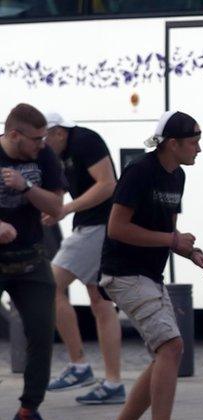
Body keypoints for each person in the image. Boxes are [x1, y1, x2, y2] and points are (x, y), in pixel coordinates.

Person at [95, 111, 203, 420]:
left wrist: (190, 251)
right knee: (171, 346)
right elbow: (117, 228)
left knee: (165, 351)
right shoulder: (139, 171)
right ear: (172, 144)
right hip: (123, 273)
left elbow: (169, 230)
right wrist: (172, 239)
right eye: (194, 141)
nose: (199, 148)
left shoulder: (176, 175)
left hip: (147, 274)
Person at [43, 113, 125, 404]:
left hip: (97, 226)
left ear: (59, 133)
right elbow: (61, 186)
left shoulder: (85, 141)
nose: (42, 144)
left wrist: (65, 209)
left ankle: (79, 365)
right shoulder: (60, 152)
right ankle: (113, 382)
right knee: (101, 302)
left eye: (45, 137)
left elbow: (107, 184)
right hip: (93, 226)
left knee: (48, 285)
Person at [0, 103, 65, 420]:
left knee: (42, 333)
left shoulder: (44, 157)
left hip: (30, 260)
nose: (44, 143)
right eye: (37, 138)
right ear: (14, 135)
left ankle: (29, 410)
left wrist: (26, 188)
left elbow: (56, 206)